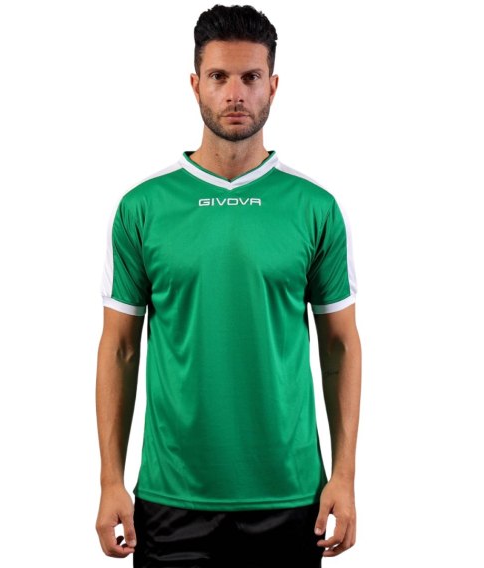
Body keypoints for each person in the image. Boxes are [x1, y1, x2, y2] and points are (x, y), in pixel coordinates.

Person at [95, 4, 362, 566]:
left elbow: (340, 343)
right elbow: (119, 347)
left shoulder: (315, 208)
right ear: (196, 84)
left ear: (273, 86)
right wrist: (110, 481)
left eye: (250, 77)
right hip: (171, 500)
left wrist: (344, 476)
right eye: (219, 77)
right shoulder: (143, 208)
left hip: (292, 499)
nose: (235, 93)